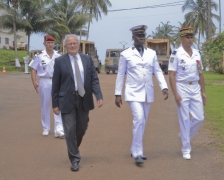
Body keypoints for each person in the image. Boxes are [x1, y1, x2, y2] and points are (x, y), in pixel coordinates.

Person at [115, 25, 169, 165]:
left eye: (143, 36)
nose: (142, 38)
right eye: (139, 36)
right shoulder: (125, 54)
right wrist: (117, 93)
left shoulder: (151, 53)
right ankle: (139, 153)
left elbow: (157, 71)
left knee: (142, 121)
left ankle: (134, 148)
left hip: (147, 92)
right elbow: (121, 74)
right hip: (133, 92)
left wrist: (164, 86)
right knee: (138, 119)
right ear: (133, 37)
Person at [52, 34, 103, 171]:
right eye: (70, 44)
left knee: (81, 128)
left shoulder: (87, 59)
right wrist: (55, 104)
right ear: (65, 46)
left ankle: (73, 146)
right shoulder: (60, 61)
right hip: (66, 99)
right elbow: (55, 84)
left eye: (75, 43)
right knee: (69, 130)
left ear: (79, 45)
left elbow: (94, 78)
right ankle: (74, 159)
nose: (73, 45)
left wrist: (98, 94)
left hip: (83, 98)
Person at [168, 26, 207, 160]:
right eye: (187, 37)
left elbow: (200, 73)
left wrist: (203, 92)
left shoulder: (197, 53)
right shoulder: (176, 54)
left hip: (195, 87)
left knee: (200, 117)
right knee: (184, 119)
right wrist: (176, 94)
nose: (190, 40)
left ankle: (185, 135)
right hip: (182, 87)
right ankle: (186, 149)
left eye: (191, 37)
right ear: (181, 39)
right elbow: (172, 75)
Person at [30, 35, 64, 138]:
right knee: (45, 105)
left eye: (52, 43)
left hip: (56, 81)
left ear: (54, 44)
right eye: (48, 43)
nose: (50, 45)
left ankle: (59, 129)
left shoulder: (58, 56)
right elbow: (33, 69)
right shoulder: (39, 56)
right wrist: (34, 82)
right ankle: (46, 127)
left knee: (57, 104)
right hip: (44, 81)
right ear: (44, 43)